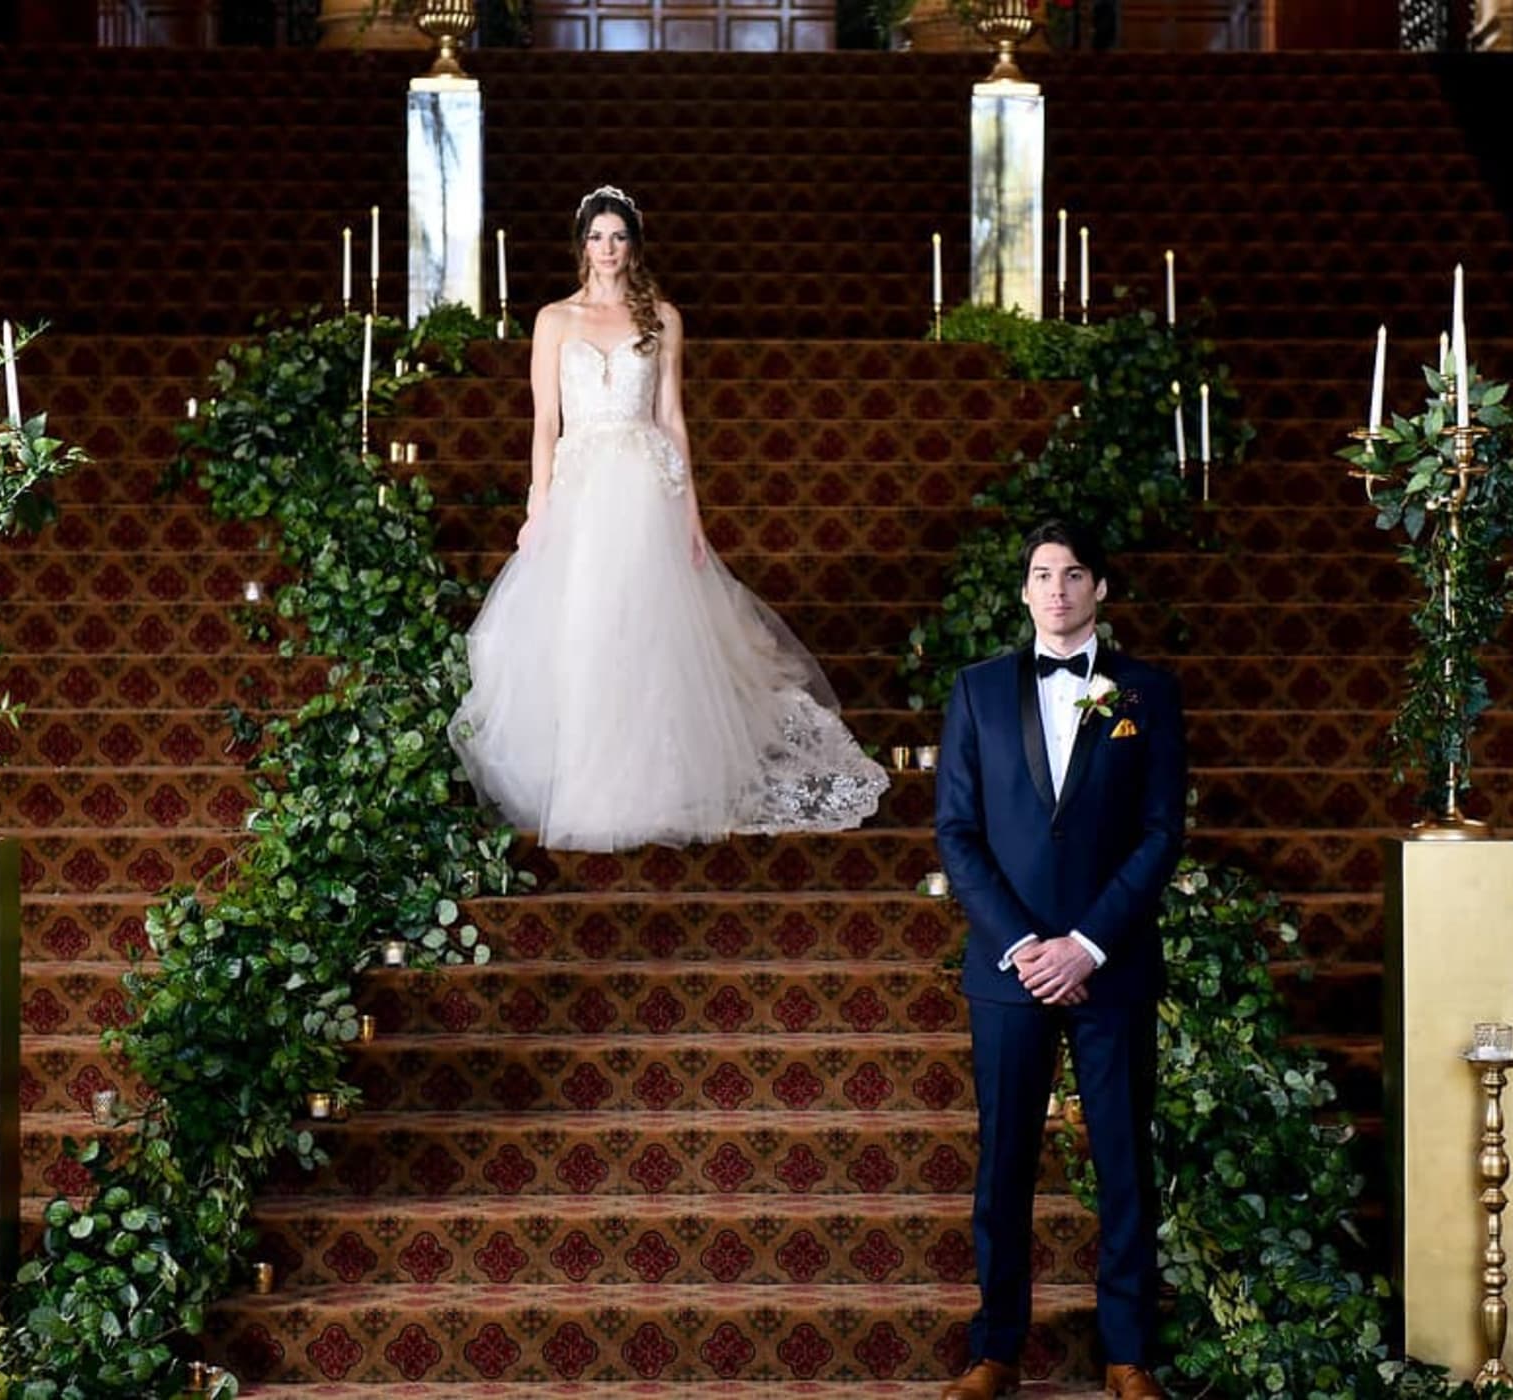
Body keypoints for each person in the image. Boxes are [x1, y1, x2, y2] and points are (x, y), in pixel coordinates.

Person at [450, 186, 888, 851]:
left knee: (644, 631)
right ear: (581, 244)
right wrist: (536, 505)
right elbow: (543, 422)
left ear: (634, 245)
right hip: (580, 488)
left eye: (618, 237)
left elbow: (672, 421)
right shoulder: (552, 320)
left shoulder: (662, 317)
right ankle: (585, 787)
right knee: (584, 630)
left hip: (645, 488)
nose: (607, 250)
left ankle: (652, 784)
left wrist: (692, 517)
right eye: (596, 237)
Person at [933, 519, 1185, 1400]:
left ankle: (1127, 1355)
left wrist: (1085, 945)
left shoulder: (1144, 694)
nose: (1056, 589)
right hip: (1007, 971)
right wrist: (1024, 946)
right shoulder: (975, 692)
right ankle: (994, 1349)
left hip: (1108, 964)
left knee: (1122, 1160)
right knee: (1003, 1164)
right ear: (1024, 590)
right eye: (1041, 574)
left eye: (1074, 575)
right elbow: (956, 835)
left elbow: (1160, 834)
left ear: (1100, 591)